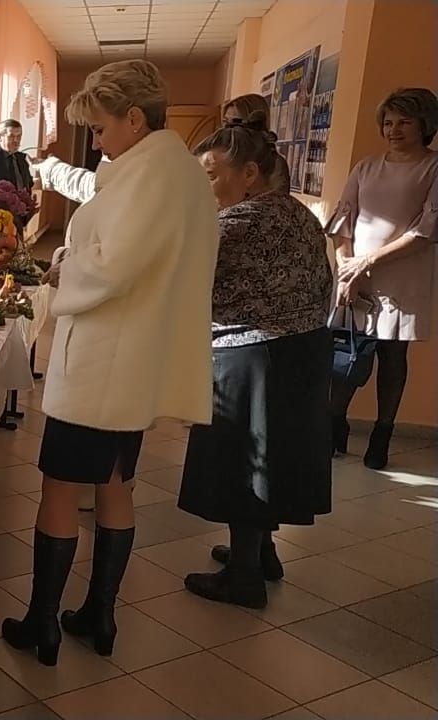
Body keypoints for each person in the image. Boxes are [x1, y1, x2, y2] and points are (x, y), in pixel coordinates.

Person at [1, 59, 218, 665]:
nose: (96, 141)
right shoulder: (169, 170)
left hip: (104, 363)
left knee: (60, 490)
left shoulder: (152, 175)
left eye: (99, 128)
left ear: (132, 117)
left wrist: (66, 269)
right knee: (115, 484)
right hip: (134, 362)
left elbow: (115, 264)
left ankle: (41, 622)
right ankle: (100, 614)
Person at [178, 114, 334, 608]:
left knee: (244, 461)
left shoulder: (239, 222)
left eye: (212, 174)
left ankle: (244, 576)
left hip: (255, 356)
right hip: (303, 351)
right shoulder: (296, 212)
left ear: (249, 173)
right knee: (274, 457)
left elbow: (186, 280)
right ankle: (262, 552)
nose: (207, 185)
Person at [327, 87, 438, 469]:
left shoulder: (434, 167)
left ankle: (382, 433)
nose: (394, 129)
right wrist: (346, 268)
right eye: (388, 122)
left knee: (393, 355)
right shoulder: (366, 166)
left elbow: (427, 229)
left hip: (403, 276)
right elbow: (343, 219)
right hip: (355, 275)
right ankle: (334, 423)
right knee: (347, 350)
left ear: (426, 124)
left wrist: (366, 261)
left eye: (405, 121)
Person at [223, 93, 292, 189]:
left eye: (236, 122)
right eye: (226, 122)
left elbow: (276, 201)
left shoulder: (275, 164)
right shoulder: (223, 155)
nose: (228, 129)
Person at [0, 119, 34, 189]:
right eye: (11, 136)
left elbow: (28, 184)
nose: (16, 140)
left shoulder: (22, 158)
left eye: (19, 136)